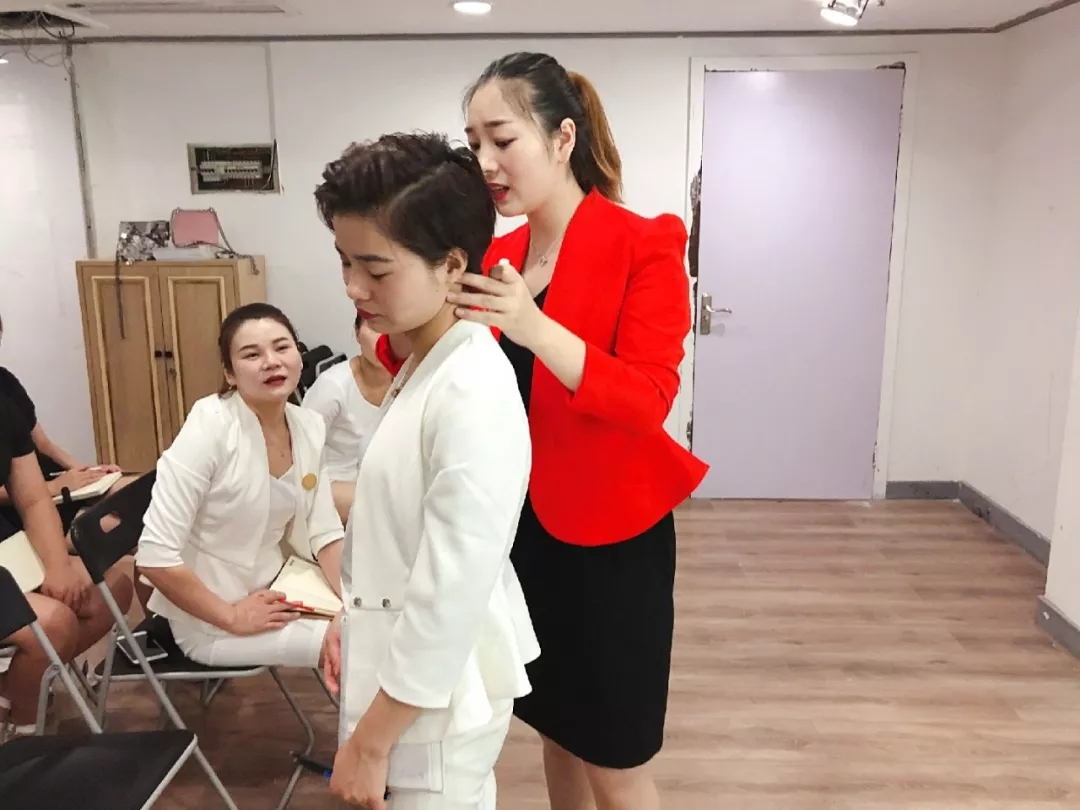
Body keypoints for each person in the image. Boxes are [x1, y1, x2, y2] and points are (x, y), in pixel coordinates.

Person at [372, 52, 711, 810]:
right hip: (518, 536)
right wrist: (387, 299)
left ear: (563, 139)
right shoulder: (497, 255)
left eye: (503, 140)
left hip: (612, 541)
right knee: (556, 731)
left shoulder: (644, 242)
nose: (487, 163)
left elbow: (647, 398)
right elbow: (421, 353)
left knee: (615, 757)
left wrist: (533, 325)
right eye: (474, 145)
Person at [315, 132, 539, 810]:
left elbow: (450, 593)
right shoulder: (425, 362)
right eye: (345, 261)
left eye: (376, 270)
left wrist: (371, 743)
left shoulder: (471, 389)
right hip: (405, 681)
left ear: (451, 265)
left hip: (430, 705)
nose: (354, 287)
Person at [134, 303, 345, 669]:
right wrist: (232, 617)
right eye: (252, 354)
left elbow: (325, 532)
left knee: (380, 621)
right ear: (230, 374)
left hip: (279, 587)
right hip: (213, 621)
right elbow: (154, 558)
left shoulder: (307, 425)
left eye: (282, 347)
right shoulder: (211, 427)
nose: (271, 362)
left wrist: (352, 603)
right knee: (355, 648)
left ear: (298, 355)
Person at [0, 389, 133, 738]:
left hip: (8, 547)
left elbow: (33, 498)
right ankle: (25, 732)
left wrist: (57, 567)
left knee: (111, 591)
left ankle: (16, 691)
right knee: (53, 624)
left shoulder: (4, 400)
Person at [0, 311, 128, 534]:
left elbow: (43, 444)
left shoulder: (6, 382)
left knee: (136, 491)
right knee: (124, 528)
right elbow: (26, 495)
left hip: (47, 481)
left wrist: (86, 471)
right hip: (23, 503)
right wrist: (53, 487)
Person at [301, 314, 389, 523]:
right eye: (375, 328)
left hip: (377, 479)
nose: (386, 340)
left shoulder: (409, 379)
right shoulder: (332, 387)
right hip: (332, 484)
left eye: (394, 331)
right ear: (357, 333)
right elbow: (297, 451)